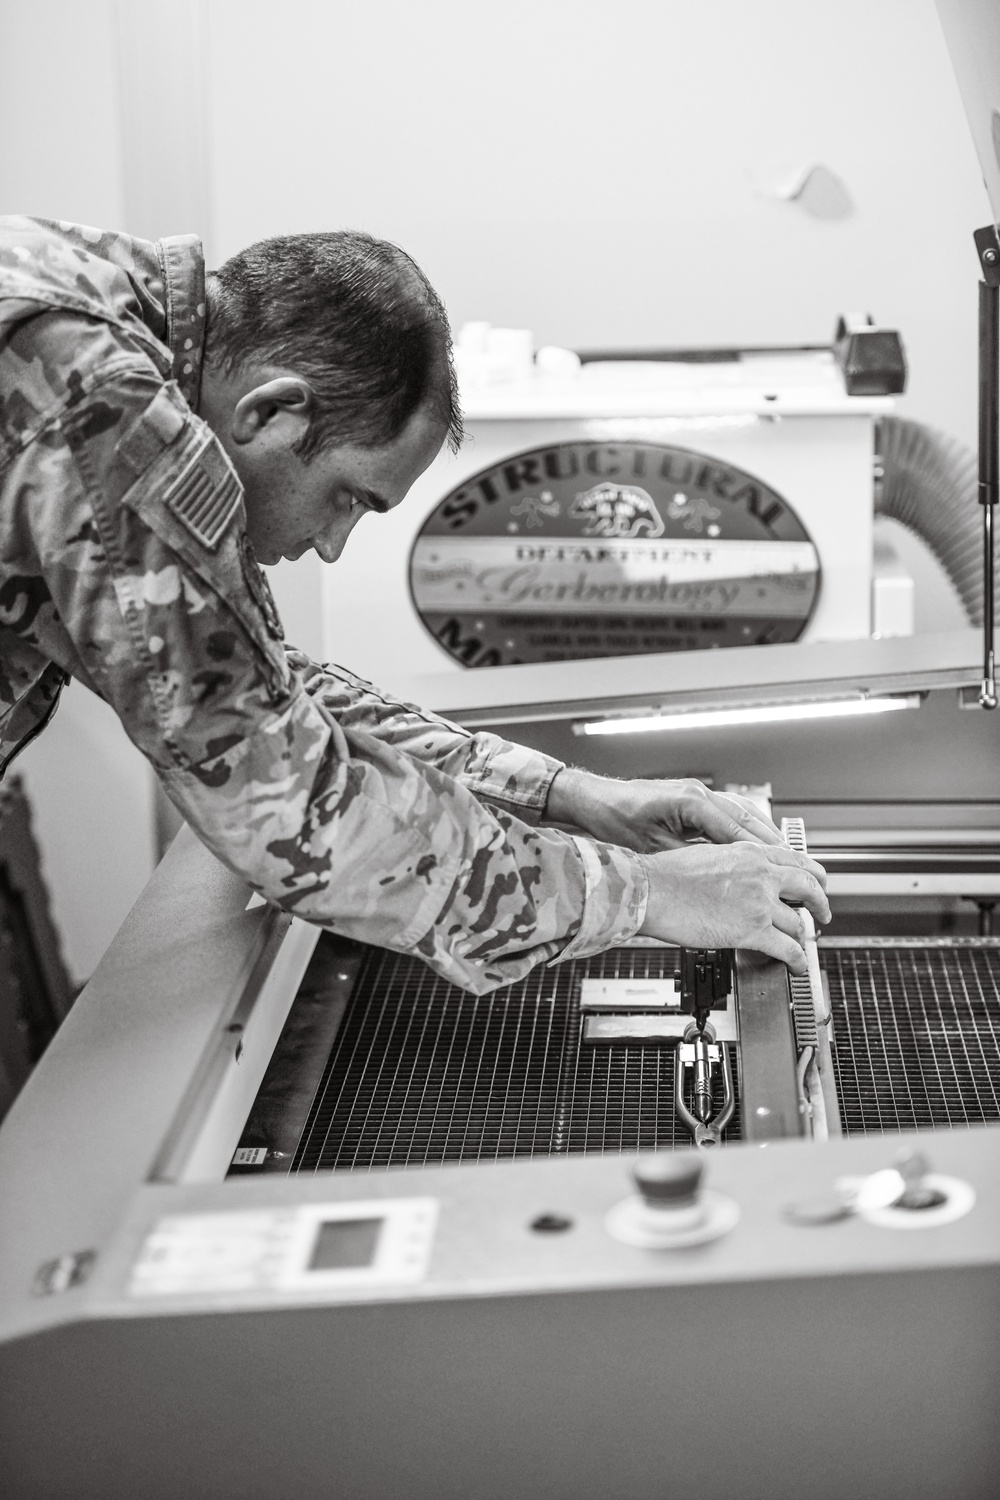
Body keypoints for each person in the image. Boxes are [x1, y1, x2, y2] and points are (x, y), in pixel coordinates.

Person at [0, 216, 829, 994]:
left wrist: (572, 795)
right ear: (273, 410)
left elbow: (259, 682)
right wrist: (647, 895)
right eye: (347, 498)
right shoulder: (107, 410)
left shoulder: (105, 312)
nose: (330, 545)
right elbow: (297, 814)